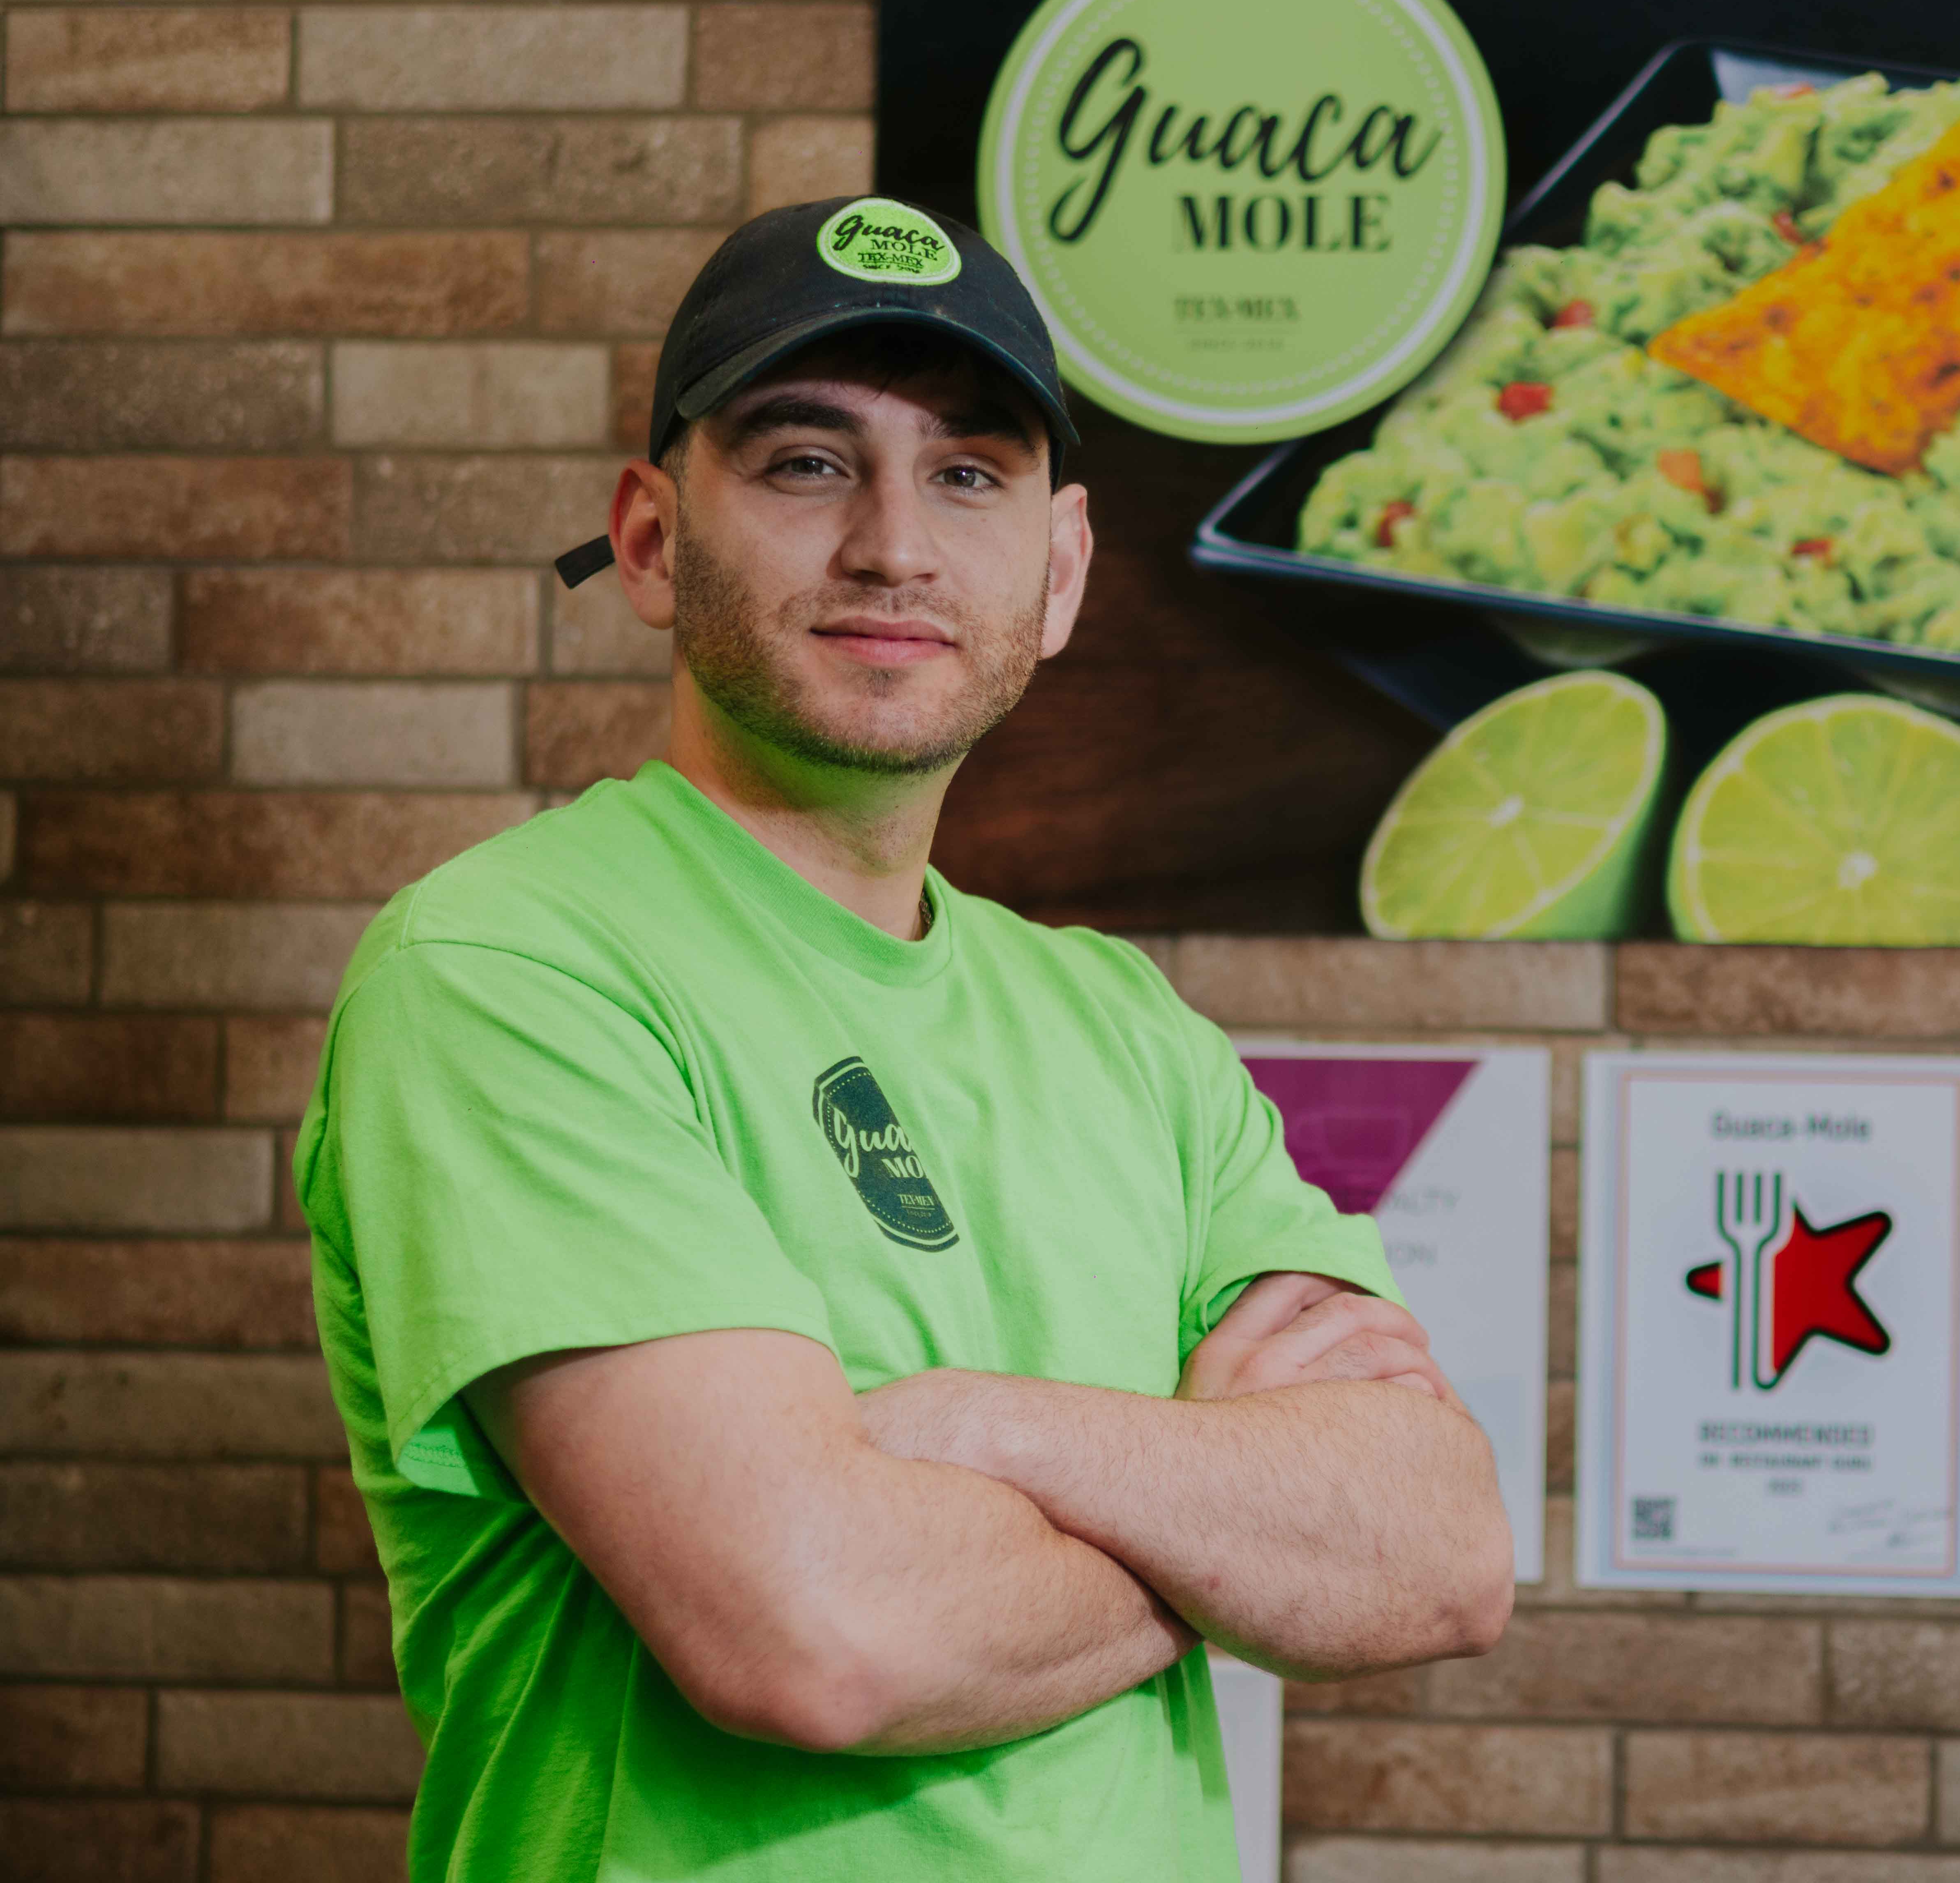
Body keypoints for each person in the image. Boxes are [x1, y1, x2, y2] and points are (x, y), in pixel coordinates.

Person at [298, 194, 1514, 1882]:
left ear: (1060, 570)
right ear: (649, 541)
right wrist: (1225, 1525)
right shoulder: (514, 969)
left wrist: (976, 1428)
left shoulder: (1125, 1029)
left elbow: (1438, 1552)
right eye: (807, 462)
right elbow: (821, 1636)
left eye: (969, 474)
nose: (894, 546)